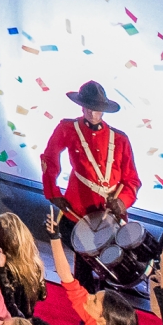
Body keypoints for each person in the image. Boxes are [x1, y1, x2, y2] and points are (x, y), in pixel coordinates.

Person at [41, 81, 140, 240]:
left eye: (97, 110)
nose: (93, 114)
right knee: (82, 262)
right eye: (89, 108)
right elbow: (49, 158)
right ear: (82, 106)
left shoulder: (120, 139)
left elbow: (132, 180)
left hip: (112, 214)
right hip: (79, 209)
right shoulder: (68, 128)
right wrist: (53, 192)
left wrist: (122, 202)